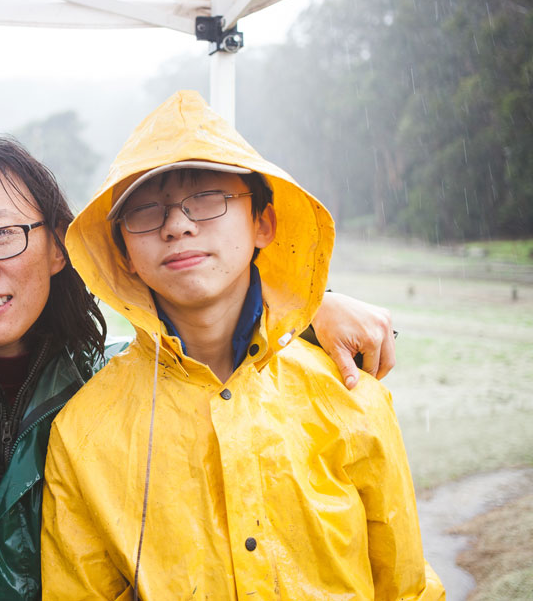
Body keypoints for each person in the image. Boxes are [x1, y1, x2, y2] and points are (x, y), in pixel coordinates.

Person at [0, 136, 401, 600]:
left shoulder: (102, 383)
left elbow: (197, 336)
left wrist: (310, 307)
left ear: (60, 248)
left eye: (2, 234)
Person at [41, 91, 444, 599]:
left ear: (263, 224)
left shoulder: (350, 395)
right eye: (145, 211)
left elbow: (404, 586)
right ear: (123, 253)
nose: (177, 225)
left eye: (208, 199)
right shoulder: (84, 434)